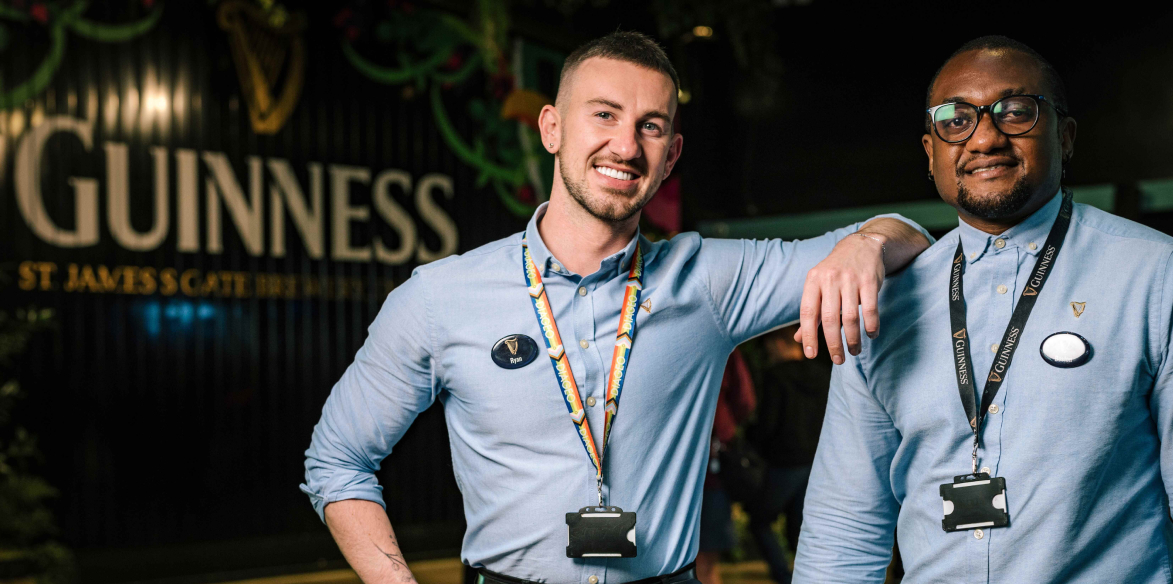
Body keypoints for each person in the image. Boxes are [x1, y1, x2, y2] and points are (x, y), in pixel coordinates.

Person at [302, 31, 932, 584]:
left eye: (650, 125)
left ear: (672, 154)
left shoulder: (711, 280)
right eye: (603, 114)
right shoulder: (439, 297)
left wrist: (867, 241)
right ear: (551, 127)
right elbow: (337, 458)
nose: (626, 146)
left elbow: (912, 237)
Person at [793, 36, 1173, 583]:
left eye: (1016, 112)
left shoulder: (1162, 278)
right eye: (954, 120)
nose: (984, 137)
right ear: (930, 151)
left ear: (1066, 135)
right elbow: (843, 528)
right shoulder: (883, 302)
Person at [744, 325, 830, 584]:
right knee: (801, 527)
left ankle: (784, 577)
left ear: (780, 343)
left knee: (759, 521)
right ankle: (812, 576)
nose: (768, 352)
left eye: (769, 346)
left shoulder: (776, 377)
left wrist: (751, 443)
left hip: (785, 463)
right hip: (817, 462)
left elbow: (767, 424)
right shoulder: (824, 374)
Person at [696, 350, 755, 584]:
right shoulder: (723, 347)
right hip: (712, 463)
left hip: (693, 468)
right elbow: (745, 402)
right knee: (707, 563)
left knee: (701, 564)